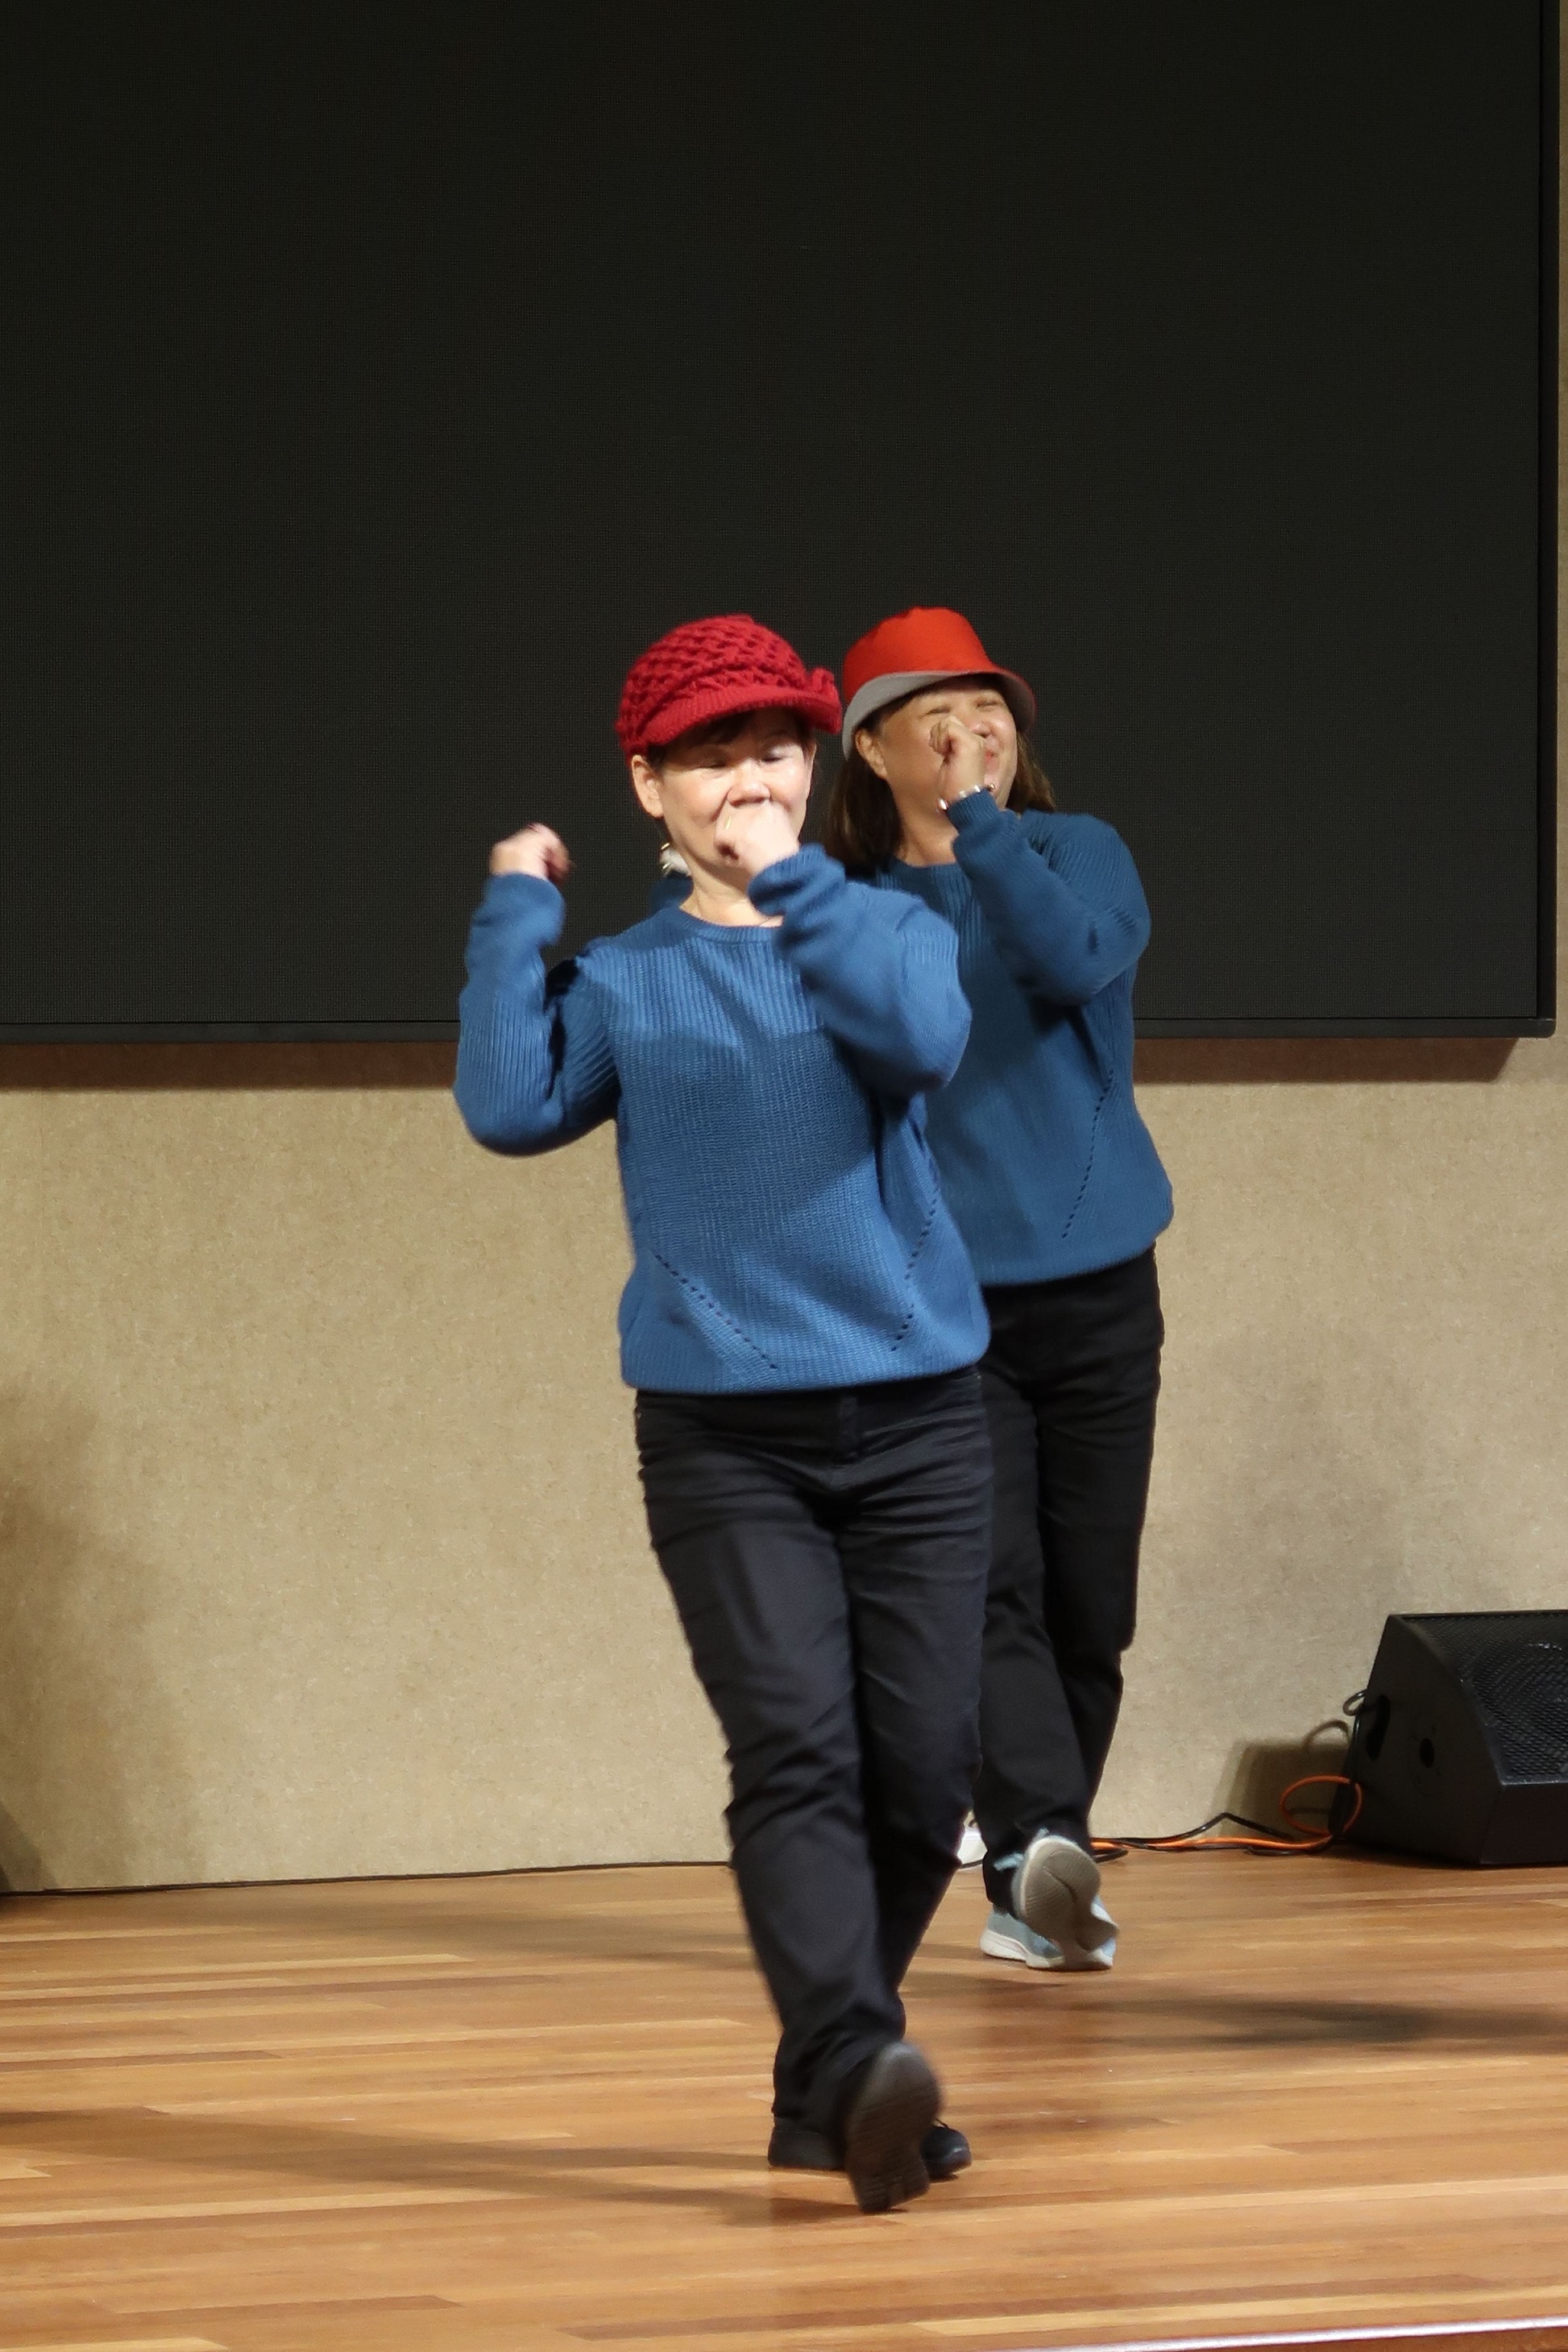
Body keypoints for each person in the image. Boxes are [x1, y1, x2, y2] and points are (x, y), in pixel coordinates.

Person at [454, 615, 993, 2212]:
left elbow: (918, 1043)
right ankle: (856, 2053)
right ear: (650, 786)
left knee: (923, 1777)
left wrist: (794, 885)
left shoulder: (883, 927)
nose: (748, 779)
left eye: (773, 749)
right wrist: (513, 913)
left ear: (812, 766)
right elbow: (507, 1105)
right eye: (710, 756)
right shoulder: (626, 980)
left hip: (918, 1419)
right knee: (795, 1751)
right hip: (726, 1436)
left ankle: (824, 2089)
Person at [824, 607, 1172, 1975]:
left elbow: (1068, 960)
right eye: (939, 721)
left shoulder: (1074, 852)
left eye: (991, 716)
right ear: (870, 750)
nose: (975, 738)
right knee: (989, 1590)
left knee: (1091, 1607)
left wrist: (981, 826)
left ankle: (1036, 1874)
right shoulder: (846, 905)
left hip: (1102, 1287)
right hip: (939, 1307)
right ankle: (1036, 1853)